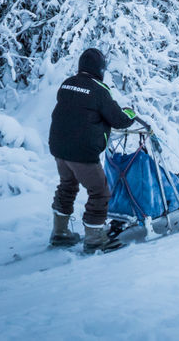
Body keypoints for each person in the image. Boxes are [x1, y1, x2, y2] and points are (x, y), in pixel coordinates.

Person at [48, 47, 137, 252]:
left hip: (60, 149)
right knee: (99, 192)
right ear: (100, 69)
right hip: (83, 153)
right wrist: (130, 113)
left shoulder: (67, 84)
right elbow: (119, 119)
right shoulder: (99, 90)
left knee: (67, 186)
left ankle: (60, 233)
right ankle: (95, 240)